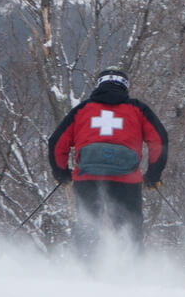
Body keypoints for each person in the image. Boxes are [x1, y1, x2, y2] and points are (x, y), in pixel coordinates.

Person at [48, 68, 168, 259]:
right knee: (129, 226)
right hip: (127, 179)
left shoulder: (83, 110)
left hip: (87, 177)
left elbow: (57, 142)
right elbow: (159, 140)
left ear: (99, 85)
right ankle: (132, 270)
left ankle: (84, 269)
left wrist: (61, 173)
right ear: (125, 87)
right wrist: (153, 175)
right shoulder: (138, 109)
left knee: (88, 224)